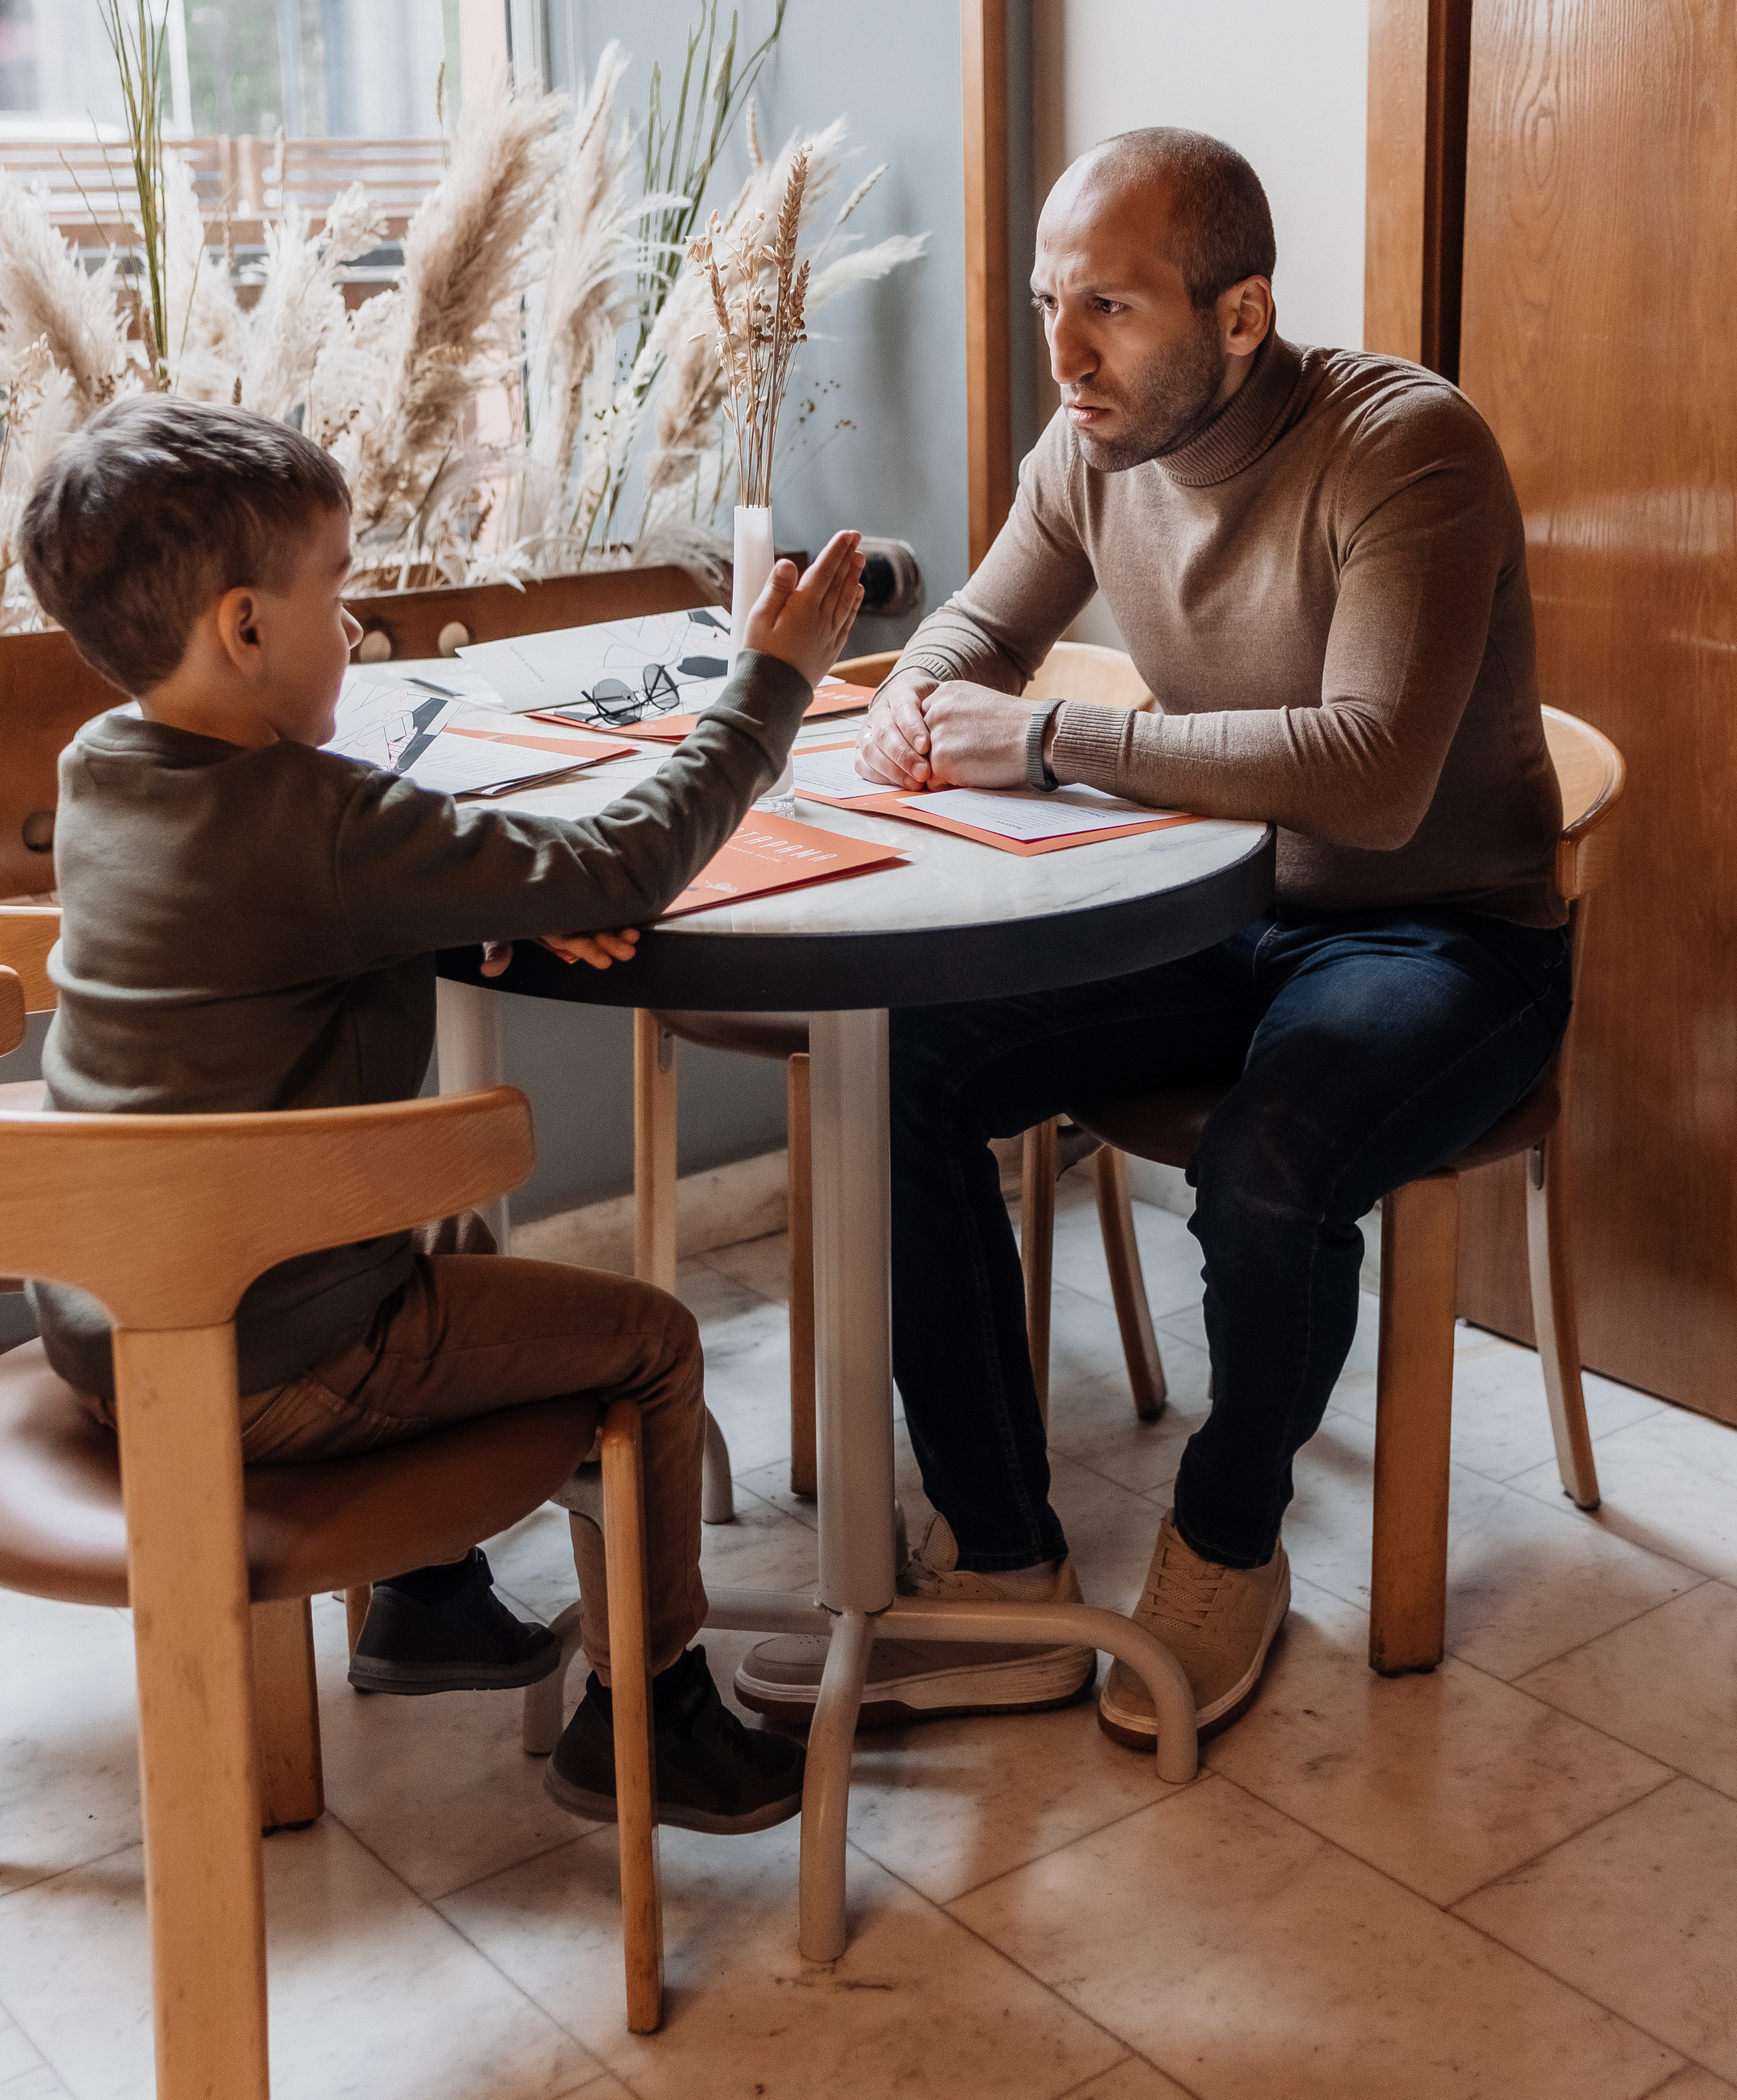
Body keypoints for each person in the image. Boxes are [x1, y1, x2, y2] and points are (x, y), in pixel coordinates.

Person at [733, 126, 1569, 1746]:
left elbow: (1372, 777)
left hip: (1443, 937)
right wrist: (920, 693)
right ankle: (1004, 1573)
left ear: (1239, 316)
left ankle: (1224, 1537)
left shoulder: (1406, 449)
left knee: (1270, 1163)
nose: (1062, 356)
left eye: (1107, 308)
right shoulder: (1087, 447)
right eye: (1051, 302)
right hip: (1218, 908)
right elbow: (979, 628)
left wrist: (1047, 744)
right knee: (890, 1061)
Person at [20, 396, 864, 1833]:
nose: (351, 624)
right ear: (244, 627)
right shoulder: (323, 828)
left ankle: (430, 1602)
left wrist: (474, 905)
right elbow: (627, 861)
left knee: (453, 1233)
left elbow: (294, 930)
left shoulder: (101, 769)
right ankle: (649, 1719)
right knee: (651, 1344)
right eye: (337, 586)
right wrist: (770, 677)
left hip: (104, 1316)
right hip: (269, 1355)